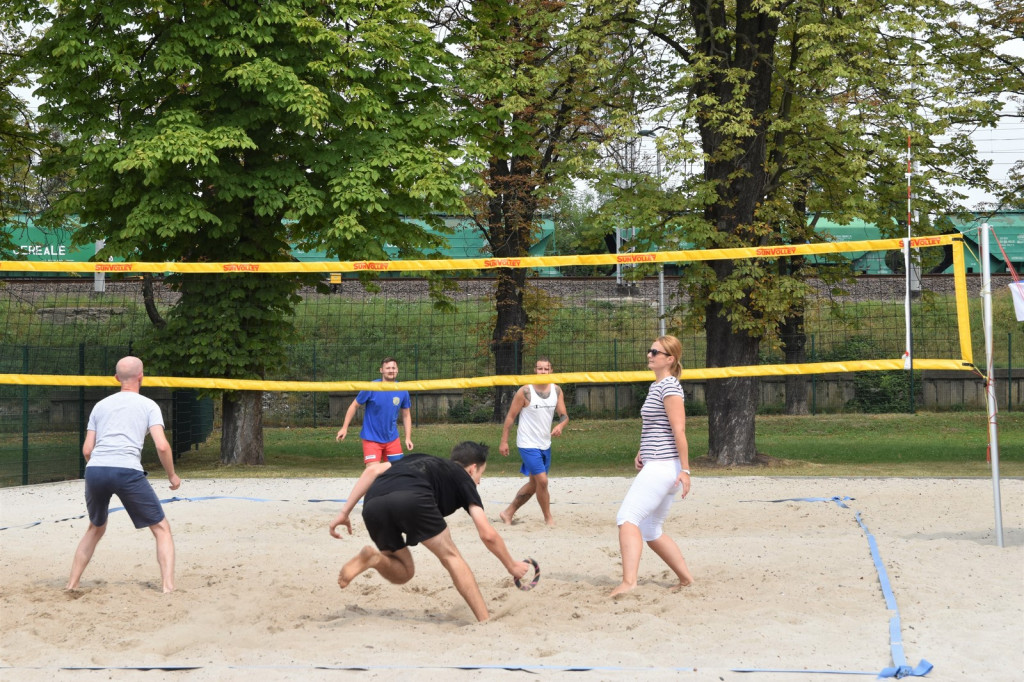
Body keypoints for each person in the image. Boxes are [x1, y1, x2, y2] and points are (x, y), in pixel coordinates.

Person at [329, 442, 531, 622]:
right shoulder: (464, 479)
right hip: (413, 497)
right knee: (451, 556)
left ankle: (374, 559)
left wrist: (344, 512)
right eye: (480, 475)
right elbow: (487, 534)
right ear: (472, 469)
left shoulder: (419, 459)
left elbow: (371, 473)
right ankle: (484, 620)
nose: (478, 482)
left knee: (404, 573)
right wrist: (511, 565)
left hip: (373, 503)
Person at [66, 356, 181, 593]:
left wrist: (100, 468)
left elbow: (87, 450)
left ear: (117, 378)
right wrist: (172, 476)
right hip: (127, 470)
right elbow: (162, 446)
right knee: (161, 528)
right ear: (141, 376)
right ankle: (168, 587)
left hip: (95, 469)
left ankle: (72, 584)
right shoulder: (149, 405)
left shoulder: (100, 406)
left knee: (95, 528)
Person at [611, 335, 694, 597]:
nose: (649, 355)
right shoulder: (657, 386)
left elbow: (679, 430)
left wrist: (686, 470)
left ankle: (629, 582)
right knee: (651, 529)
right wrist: (642, 451)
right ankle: (686, 580)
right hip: (658, 463)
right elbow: (656, 427)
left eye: (655, 352)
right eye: (650, 350)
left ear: (669, 359)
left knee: (627, 519)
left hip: (663, 467)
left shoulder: (669, 386)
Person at [498, 357, 569, 526]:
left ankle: (507, 513)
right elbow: (510, 417)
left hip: (545, 443)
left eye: (546, 369)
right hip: (527, 443)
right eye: (539, 369)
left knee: (534, 483)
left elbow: (564, 415)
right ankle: (548, 519)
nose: (542, 372)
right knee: (543, 481)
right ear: (534, 370)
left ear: (551, 371)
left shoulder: (556, 390)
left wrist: (561, 425)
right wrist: (504, 441)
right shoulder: (525, 391)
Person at [336, 357, 413, 469]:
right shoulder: (371, 387)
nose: (391, 370)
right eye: (388, 368)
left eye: (393, 368)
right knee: (373, 471)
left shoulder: (402, 390)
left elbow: (406, 415)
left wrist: (408, 438)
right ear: (381, 370)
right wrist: (344, 428)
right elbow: (354, 405)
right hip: (371, 438)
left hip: (392, 439)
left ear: (397, 370)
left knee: (397, 472)